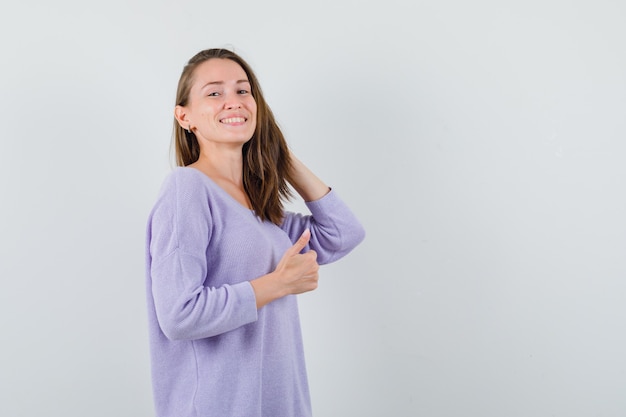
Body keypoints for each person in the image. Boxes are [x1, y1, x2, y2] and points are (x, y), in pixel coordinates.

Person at [145, 48, 365, 417]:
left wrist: (281, 156)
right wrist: (276, 284)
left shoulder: (262, 207)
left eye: (243, 91)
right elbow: (179, 314)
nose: (233, 101)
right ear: (185, 117)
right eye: (214, 93)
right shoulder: (188, 188)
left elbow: (343, 233)